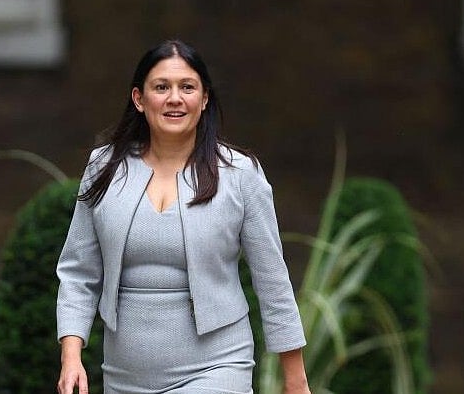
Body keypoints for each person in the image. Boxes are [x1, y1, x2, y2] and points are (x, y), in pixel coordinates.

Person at [56, 39, 310, 394]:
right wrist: (71, 357)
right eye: (161, 87)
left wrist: (295, 380)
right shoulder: (105, 167)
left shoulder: (239, 175)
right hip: (125, 374)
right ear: (139, 99)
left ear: (203, 99)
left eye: (187, 87)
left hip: (217, 366)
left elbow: (273, 281)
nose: (175, 98)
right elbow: (79, 271)